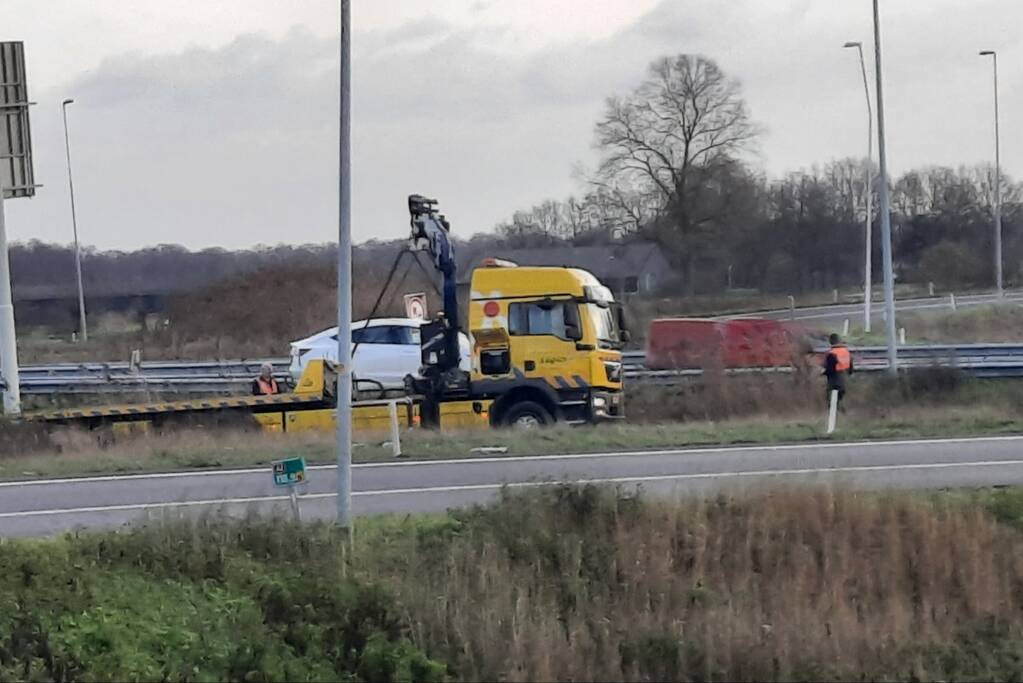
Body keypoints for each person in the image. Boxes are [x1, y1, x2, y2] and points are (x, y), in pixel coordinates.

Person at [822, 333, 853, 410]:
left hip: (835, 378)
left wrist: (823, 373)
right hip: (845, 377)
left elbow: (830, 368)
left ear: (831, 342)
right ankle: (841, 412)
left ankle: (835, 412)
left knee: (831, 398)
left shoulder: (832, 353)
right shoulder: (846, 351)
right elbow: (851, 366)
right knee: (840, 397)